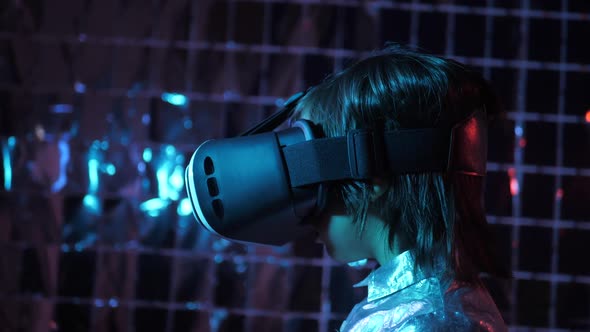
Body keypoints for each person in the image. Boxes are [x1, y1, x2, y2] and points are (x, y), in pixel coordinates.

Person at [288, 45, 510, 331]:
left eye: (315, 174)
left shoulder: (423, 322)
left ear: (370, 179)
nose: (307, 201)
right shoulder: (431, 306)